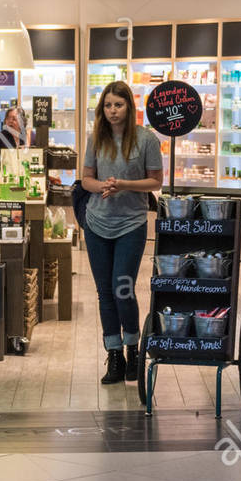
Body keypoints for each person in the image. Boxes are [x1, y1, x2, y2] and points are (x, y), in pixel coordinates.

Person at [81, 82, 163, 385]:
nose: (113, 111)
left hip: (131, 224)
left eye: (118, 105)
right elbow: (85, 179)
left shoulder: (146, 139)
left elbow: (155, 182)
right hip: (96, 223)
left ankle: (134, 350)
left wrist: (123, 185)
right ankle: (114, 355)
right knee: (104, 292)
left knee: (122, 288)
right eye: (107, 106)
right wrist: (102, 186)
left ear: (129, 106)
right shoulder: (96, 139)